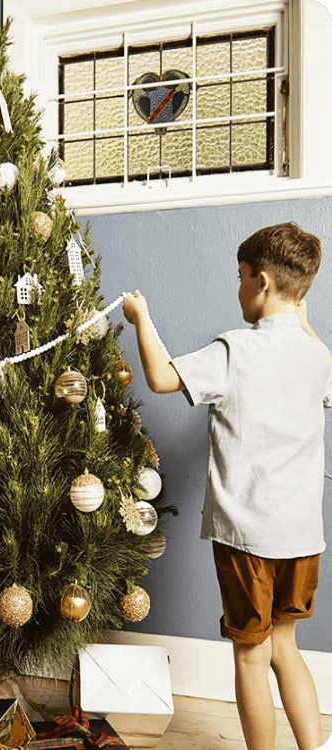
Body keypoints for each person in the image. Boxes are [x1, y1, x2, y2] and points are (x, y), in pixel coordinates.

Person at [122, 222, 330, 750]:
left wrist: (141, 317)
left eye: (240, 277)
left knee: (249, 656)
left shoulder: (237, 350)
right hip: (303, 538)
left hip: (247, 539)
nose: (237, 287)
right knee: (285, 645)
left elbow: (163, 378)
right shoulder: (317, 355)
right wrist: (305, 323)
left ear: (260, 282)